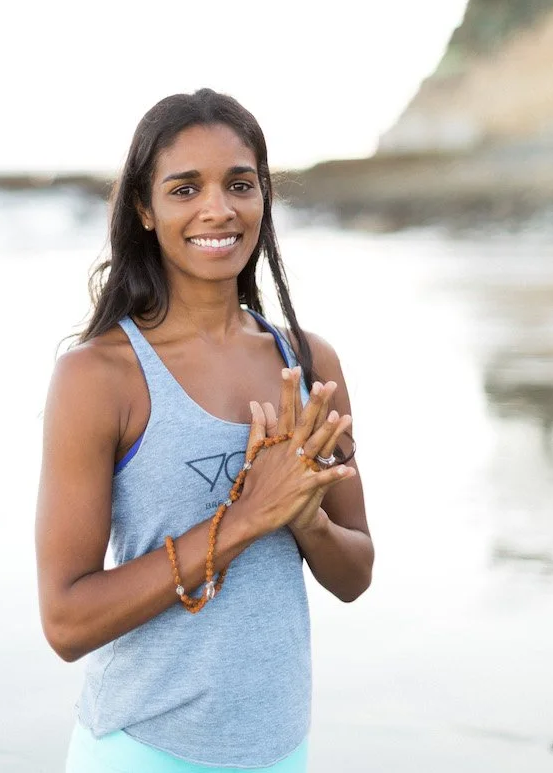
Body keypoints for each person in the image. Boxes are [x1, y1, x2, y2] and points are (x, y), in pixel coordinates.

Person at [35, 88, 374, 773]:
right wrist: (246, 517)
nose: (218, 209)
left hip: (279, 747)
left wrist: (304, 519)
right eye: (185, 188)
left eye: (239, 184)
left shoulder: (309, 363)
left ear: (263, 197)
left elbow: (355, 573)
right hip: (141, 749)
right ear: (144, 207)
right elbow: (66, 622)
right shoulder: (98, 376)